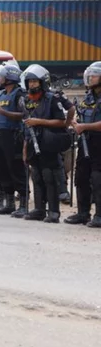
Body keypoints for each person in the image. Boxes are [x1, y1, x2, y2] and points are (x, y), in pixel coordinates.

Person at [20, 64, 70, 223]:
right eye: (29, 82)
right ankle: (39, 209)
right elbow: (27, 125)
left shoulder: (52, 99)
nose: (32, 85)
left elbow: (61, 121)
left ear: (42, 82)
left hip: (49, 142)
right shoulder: (28, 100)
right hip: (32, 143)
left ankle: (53, 212)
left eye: (35, 82)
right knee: (36, 176)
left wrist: (39, 121)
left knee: (49, 177)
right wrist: (24, 148)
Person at [0, 65, 27, 217]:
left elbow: (23, 115)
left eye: (1, 77)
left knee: (16, 169)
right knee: (2, 168)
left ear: (10, 78)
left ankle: (24, 204)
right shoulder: (1, 95)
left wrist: (2, 112)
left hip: (13, 135)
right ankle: (9, 203)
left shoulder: (19, 95)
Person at [69, 62, 101, 227]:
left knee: (97, 178)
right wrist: (76, 122)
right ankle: (83, 213)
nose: (90, 78)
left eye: (94, 75)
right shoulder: (88, 97)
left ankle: (99, 215)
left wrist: (84, 127)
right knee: (81, 177)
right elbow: (81, 115)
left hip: (99, 142)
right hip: (85, 140)